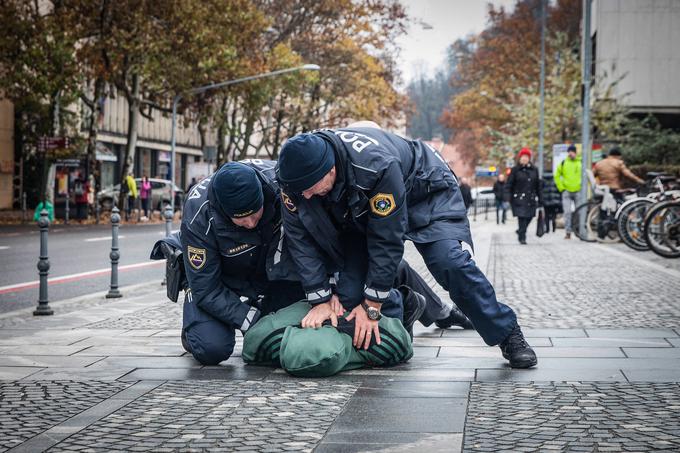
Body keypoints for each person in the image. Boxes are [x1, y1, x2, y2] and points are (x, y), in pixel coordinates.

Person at [276, 124, 537, 368]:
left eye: (310, 189)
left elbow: (386, 240)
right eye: (302, 192)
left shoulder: (375, 167)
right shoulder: (296, 179)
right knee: (349, 296)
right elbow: (300, 239)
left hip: (425, 190)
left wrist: (372, 307)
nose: (306, 197)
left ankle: (507, 332)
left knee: (448, 263)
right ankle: (411, 303)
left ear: (330, 169)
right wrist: (320, 299)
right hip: (361, 206)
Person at [177, 161, 434, 365]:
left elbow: (323, 240)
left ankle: (405, 301)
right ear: (222, 210)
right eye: (241, 221)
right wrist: (252, 320)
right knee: (211, 348)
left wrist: (331, 291)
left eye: (256, 214)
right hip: (223, 281)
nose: (251, 224)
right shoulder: (199, 214)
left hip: (277, 274)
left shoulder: (285, 185)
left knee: (338, 315)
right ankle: (195, 325)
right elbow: (207, 288)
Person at [504, 148, 542, 245]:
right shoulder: (515, 170)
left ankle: (521, 230)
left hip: (531, 198)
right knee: (522, 217)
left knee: (529, 217)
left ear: (529, 158)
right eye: (523, 157)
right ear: (520, 158)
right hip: (518, 198)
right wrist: (507, 197)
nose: (524, 159)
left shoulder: (534, 170)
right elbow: (509, 184)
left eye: (526, 157)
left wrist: (541, 198)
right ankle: (522, 237)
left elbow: (538, 185)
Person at [554, 144, 581, 239]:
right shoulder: (563, 163)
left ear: (575, 153)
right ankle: (568, 232)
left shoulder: (580, 163)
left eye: (572, 152)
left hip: (578, 191)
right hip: (567, 191)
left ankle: (578, 230)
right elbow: (556, 176)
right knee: (567, 212)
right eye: (569, 152)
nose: (571, 153)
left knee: (579, 212)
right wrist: (561, 188)